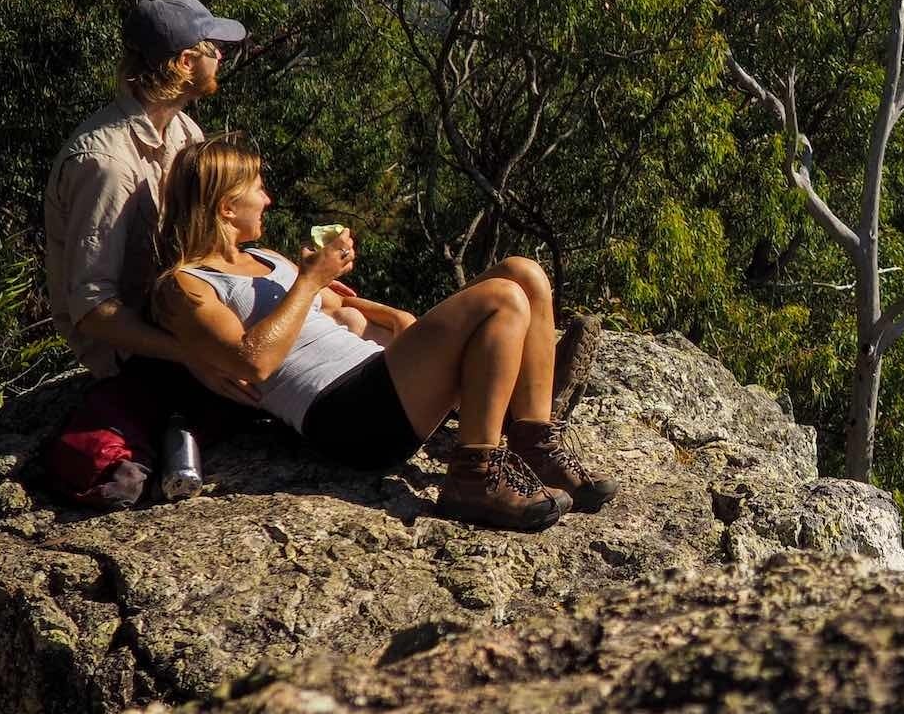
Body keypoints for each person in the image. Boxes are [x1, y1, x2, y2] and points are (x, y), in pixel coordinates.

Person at [151, 135, 617, 530]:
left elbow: (336, 303)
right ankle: (473, 476)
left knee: (524, 273)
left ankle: (533, 445)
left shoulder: (267, 259)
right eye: (258, 189)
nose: (268, 199)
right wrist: (310, 280)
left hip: (374, 378)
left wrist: (394, 317)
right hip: (343, 415)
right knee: (501, 297)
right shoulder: (187, 284)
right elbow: (251, 361)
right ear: (228, 207)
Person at [42, 0, 254, 507]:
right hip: (131, 349)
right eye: (212, 48)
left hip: (174, 317)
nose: (220, 57)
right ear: (185, 63)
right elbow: (92, 309)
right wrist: (193, 354)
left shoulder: (184, 133)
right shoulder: (106, 163)